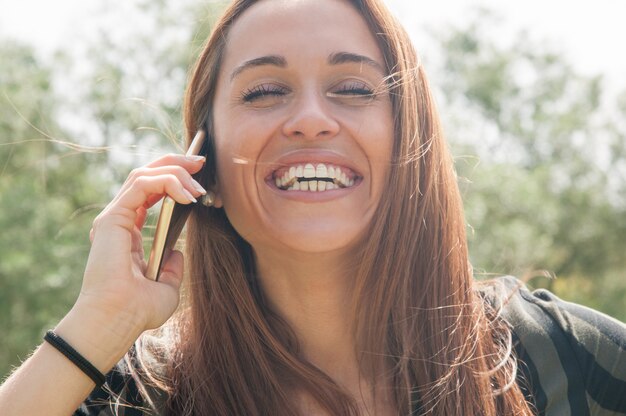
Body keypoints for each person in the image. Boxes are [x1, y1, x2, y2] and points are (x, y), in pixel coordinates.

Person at [1, 0, 625, 414]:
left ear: (410, 144)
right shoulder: (138, 395)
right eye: (265, 91)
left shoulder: (555, 356)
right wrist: (102, 320)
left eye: (352, 89)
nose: (308, 120)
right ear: (204, 166)